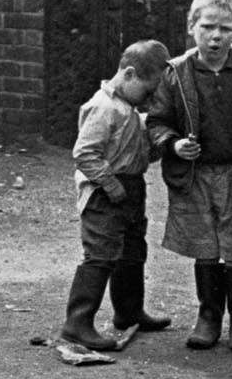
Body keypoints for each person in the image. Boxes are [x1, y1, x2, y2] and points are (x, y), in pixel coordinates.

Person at [151, 0, 232, 351]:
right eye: (207, 27)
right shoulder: (177, 72)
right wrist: (173, 144)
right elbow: (158, 121)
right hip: (194, 176)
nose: (215, 36)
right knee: (204, 245)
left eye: (224, 28)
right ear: (192, 27)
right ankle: (208, 316)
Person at [65, 37, 171, 352]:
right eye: (148, 91)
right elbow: (84, 154)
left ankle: (128, 311)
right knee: (100, 255)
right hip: (104, 193)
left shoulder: (129, 109)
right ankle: (77, 323)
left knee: (132, 251)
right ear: (127, 74)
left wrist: (158, 145)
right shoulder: (103, 107)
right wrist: (111, 185)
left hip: (131, 188)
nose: (150, 100)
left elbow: (139, 155)